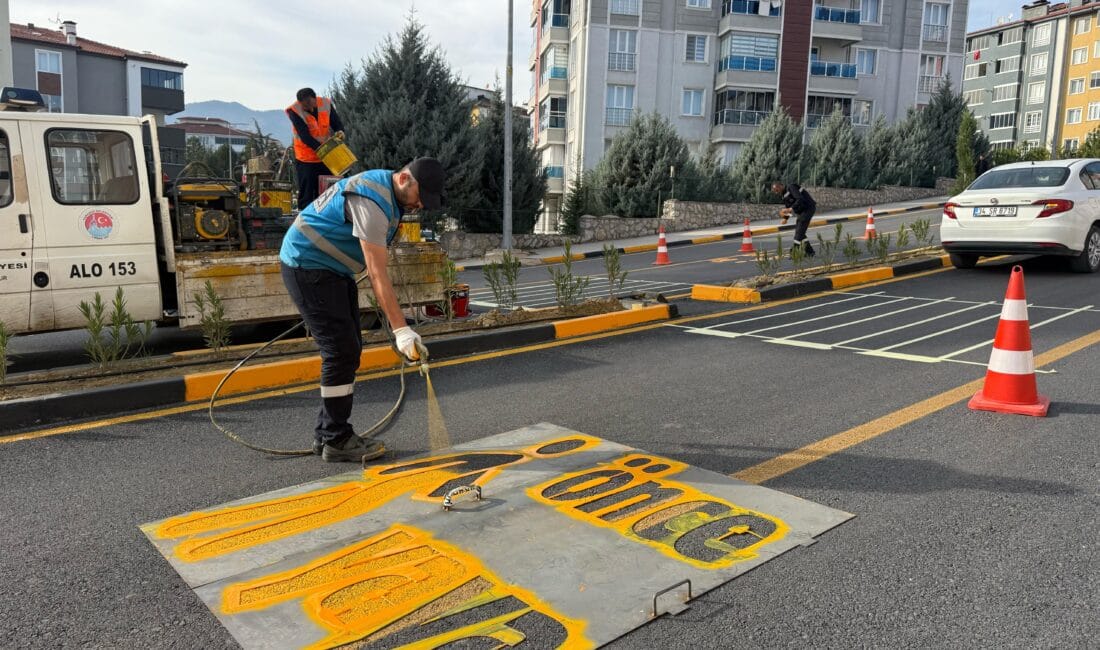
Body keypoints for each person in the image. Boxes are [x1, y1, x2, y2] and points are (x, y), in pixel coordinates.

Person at [279, 157, 446, 462]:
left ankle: (328, 433)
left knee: (348, 349)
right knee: (340, 351)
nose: (421, 204)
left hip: (332, 270)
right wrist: (401, 330)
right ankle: (336, 439)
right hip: (308, 265)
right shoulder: (372, 200)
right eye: (420, 196)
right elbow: (377, 273)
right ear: (404, 179)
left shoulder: (389, 196)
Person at [286, 87, 346, 207]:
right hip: (306, 157)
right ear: (299, 102)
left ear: (315, 99)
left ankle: (328, 213)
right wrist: (324, 150)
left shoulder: (325, 104)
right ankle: (304, 214)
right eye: (304, 106)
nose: (308, 108)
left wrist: (340, 131)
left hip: (325, 156)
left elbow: (336, 123)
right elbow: (305, 136)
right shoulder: (294, 111)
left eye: (309, 104)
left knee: (328, 190)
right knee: (307, 193)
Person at [771, 181, 816, 257]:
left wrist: (791, 209)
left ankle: (795, 251)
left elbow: (800, 199)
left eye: (776, 190)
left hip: (808, 208)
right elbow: (788, 208)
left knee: (799, 232)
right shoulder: (784, 195)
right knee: (800, 232)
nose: (776, 193)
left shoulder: (791, 187)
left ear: (780, 186)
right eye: (775, 191)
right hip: (801, 212)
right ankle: (809, 251)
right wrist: (785, 218)